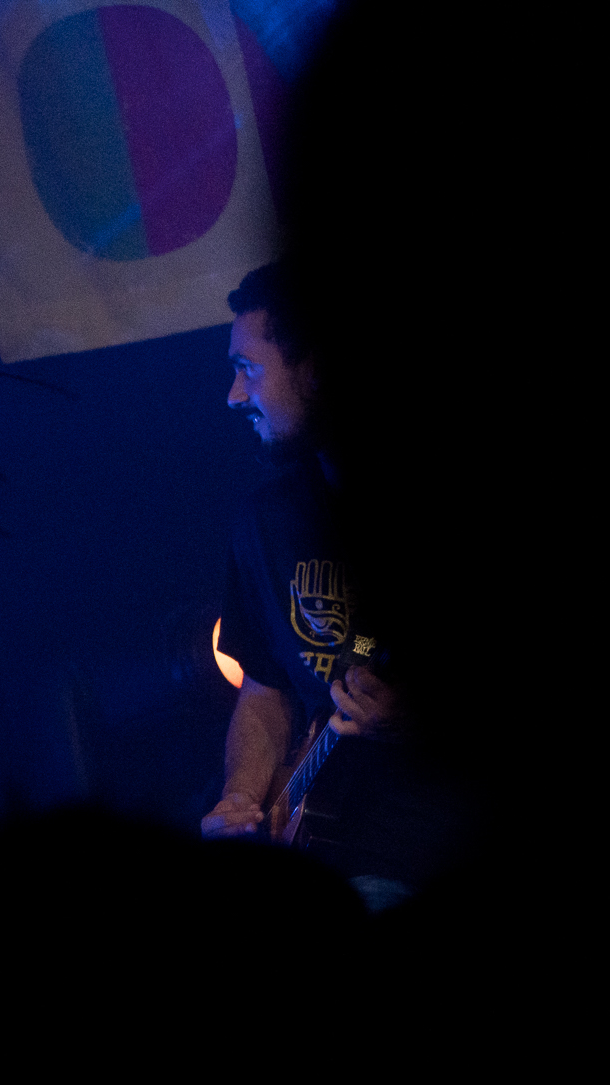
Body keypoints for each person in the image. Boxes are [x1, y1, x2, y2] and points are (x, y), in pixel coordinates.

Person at [198, 263, 451, 907]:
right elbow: (265, 690)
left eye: (248, 369)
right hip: (330, 852)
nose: (232, 396)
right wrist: (244, 797)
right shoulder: (265, 522)